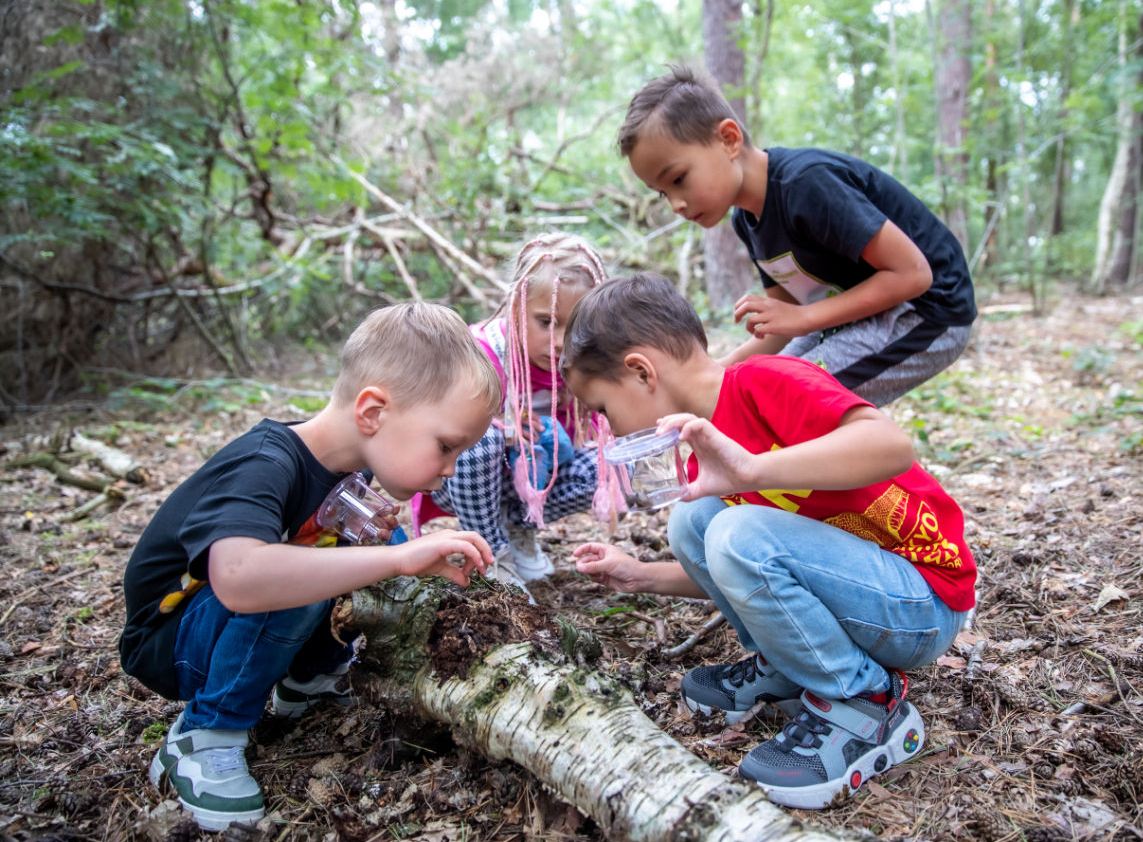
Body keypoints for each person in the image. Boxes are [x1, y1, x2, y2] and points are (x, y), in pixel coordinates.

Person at [561, 274, 976, 810]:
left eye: (602, 410)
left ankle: (865, 702)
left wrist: (752, 469)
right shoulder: (702, 453)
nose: (611, 432)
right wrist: (640, 576)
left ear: (641, 372)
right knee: (695, 522)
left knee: (734, 528)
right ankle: (787, 667)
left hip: (921, 603)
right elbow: (750, 571)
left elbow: (892, 444)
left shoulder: (764, 381)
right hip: (860, 596)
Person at [118, 302, 499, 831]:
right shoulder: (267, 463)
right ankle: (204, 734)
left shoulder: (352, 472)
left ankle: (308, 681)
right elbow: (238, 577)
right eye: (446, 447)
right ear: (372, 412)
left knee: (359, 544)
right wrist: (393, 558)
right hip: (173, 640)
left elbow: (372, 559)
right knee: (307, 568)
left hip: (221, 626)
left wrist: (410, 561)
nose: (449, 471)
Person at [616, 65, 977, 407]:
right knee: (759, 384)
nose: (676, 204)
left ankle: (879, 469)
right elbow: (785, 322)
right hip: (852, 313)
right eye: (663, 193)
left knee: (789, 398)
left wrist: (803, 319)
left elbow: (913, 274)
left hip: (926, 310)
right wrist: (715, 373)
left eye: (678, 178)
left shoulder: (806, 185)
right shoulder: (748, 220)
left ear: (728, 139)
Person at [410, 233, 614, 587]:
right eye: (546, 322)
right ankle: (490, 552)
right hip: (460, 478)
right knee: (481, 441)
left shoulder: (581, 365)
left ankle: (520, 527)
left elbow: (590, 439)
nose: (560, 341)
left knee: (613, 462)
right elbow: (441, 430)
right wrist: (504, 428)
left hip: (533, 478)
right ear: (516, 306)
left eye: (577, 325)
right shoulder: (480, 353)